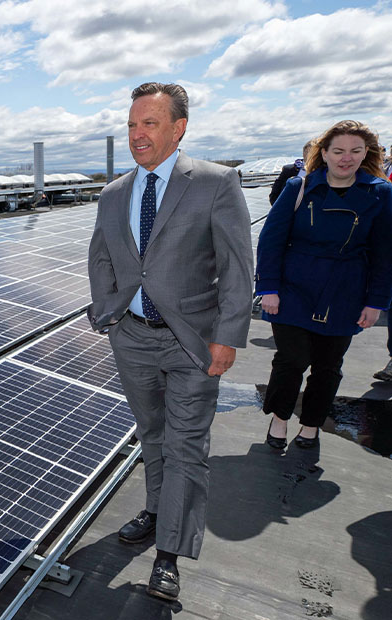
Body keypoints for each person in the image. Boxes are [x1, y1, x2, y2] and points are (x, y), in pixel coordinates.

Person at [87, 82, 253, 601]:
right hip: (132, 338)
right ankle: (158, 510)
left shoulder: (215, 182)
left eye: (150, 123)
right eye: (132, 124)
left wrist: (228, 337)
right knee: (152, 435)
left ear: (178, 128)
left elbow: (236, 268)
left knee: (185, 446)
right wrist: (108, 312)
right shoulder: (114, 192)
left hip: (192, 342)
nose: (138, 134)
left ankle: (168, 554)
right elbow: (100, 259)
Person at [256, 120, 392, 450]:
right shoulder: (298, 187)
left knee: (328, 366)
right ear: (325, 153)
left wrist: (376, 302)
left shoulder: (380, 193)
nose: (346, 158)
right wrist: (268, 289)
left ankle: (311, 425)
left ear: (366, 154)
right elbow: (271, 240)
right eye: (339, 151)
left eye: (355, 151)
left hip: (345, 291)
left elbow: (384, 252)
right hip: (293, 289)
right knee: (291, 361)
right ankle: (279, 418)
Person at [269, 140, 314, 205]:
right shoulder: (289, 170)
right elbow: (275, 192)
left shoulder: (324, 171)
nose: (309, 155)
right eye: (307, 151)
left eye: (313, 152)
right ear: (303, 153)